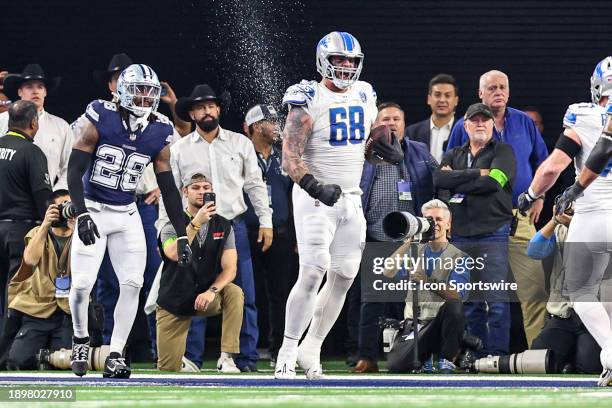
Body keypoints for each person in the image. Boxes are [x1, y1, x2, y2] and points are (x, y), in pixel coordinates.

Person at [274, 31, 401, 380]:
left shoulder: (365, 93)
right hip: (315, 197)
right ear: (322, 61)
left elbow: (361, 148)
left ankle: (311, 347)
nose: (345, 67)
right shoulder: (307, 97)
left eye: (351, 62)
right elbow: (289, 158)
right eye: (339, 61)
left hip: (350, 198)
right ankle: (286, 351)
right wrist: (315, 185)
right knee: (313, 271)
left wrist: (385, 151)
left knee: (344, 276)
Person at [66, 64, 192, 379]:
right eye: (138, 89)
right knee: (82, 285)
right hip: (93, 207)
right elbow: (74, 169)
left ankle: (116, 354)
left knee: (133, 284)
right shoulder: (100, 116)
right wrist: (81, 212)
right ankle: (81, 337)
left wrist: (182, 234)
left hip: (126, 212)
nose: (145, 96)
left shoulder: (160, 129)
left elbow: (169, 189)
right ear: (122, 90)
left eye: (150, 91)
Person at [169, 83, 273, 372]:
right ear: (191, 113)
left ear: (218, 109)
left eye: (211, 106)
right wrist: (177, 230)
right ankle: (191, 357)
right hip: (197, 227)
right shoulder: (179, 149)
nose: (207, 111)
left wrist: (266, 221)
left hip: (234, 225)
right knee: (194, 292)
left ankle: (244, 357)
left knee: (243, 293)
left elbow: (255, 184)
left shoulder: (240, 143)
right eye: (200, 107)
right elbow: (174, 192)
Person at [446, 70, 549, 348]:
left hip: (520, 216)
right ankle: (477, 357)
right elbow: (450, 169)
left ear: (509, 91)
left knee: (534, 291)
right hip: (478, 221)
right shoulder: (463, 125)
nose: (498, 92)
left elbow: (544, 162)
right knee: (477, 295)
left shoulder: (524, 122)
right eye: (491, 88)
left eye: (502, 87)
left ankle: (537, 356)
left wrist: (540, 197)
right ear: (480, 93)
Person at [350, 101, 437, 373]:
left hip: (411, 239)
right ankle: (366, 356)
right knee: (370, 301)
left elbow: (438, 181)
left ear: (404, 123)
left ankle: (405, 355)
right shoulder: (363, 154)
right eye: (385, 119)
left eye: (396, 119)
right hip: (374, 236)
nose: (391, 123)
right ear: (376, 125)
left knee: (408, 300)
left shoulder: (420, 150)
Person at [434, 103, 516, 356]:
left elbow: (494, 182)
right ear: (466, 126)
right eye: (475, 121)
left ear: (493, 125)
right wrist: (476, 173)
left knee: (497, 301)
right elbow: (439, 179)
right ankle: (477, 357)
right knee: (470, 302)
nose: (480, 124)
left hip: (493, 233)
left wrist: (458, 177)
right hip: (460, 235)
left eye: (485, 120)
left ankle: (498, 357)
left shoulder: (504, 151)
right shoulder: (454, 153)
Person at [549, 57, 612, 386]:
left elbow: (555, 166)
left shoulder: (585, 115)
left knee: (582, 291)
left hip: (595, 213)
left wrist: (535, 195)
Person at [156, 173, 244, 372]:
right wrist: (196, 223)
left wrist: (212, 291)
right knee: (168, 369)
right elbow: (173, 253)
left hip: (205, 296)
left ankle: (227, 357)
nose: (202, 192)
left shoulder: (223, 224)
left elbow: (230, 269)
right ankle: (180, 360)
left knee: (234, 292)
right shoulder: (170, 224)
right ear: (185, 192)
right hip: (175, 298)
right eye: (196, 188)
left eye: (206, 188)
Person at [383, 199, 470, 373]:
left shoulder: (459, 256)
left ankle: (447, 358)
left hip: (440, 326)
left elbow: (456, 297)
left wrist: (427, 281)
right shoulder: (415, 250)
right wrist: (409, 241)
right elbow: (388, 272)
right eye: (428, 220)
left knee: (454, 307)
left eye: (438, 219)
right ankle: (426, 356)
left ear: (448, 224)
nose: (433, 224)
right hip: (415, 325)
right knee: (396, 365)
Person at [243, 104, 297, 366]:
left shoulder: (284, 157)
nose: (277, 126)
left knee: (282, 293)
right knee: (246, 293)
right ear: (255, 126)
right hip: (247, 231)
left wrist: (297, 235)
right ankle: (248, 350)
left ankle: (279, 349)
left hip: (282, 233)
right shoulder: (240, 156)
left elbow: (295, 196)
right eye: (270, 122)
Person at [5, 190, 75, 369]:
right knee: (17, 361)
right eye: (62, 205)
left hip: (68, 312)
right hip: (38, 310)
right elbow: (30, 260)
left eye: (71, 204)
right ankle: (39, 356)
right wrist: (45, 225)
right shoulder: (37, 232)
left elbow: (90, 267)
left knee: (62, 364)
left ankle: (47, 357)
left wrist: (78, 232)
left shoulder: (83, 233)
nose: (68, 209)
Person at [528, 206, 602, 374]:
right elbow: (534, 251)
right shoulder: (561, 230)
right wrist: (554, 220)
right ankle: (565, 362)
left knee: (591, 368)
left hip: (596, 316)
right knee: (538, 360)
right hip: (564, 314)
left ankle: (571, 363)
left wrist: (576, 225)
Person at [0, 100, 51, 317]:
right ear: (33, 123)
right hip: (20, 232)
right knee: (16, 294)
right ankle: (9, 349)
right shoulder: (31, 152)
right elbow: (43, 198)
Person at [0, 64, 73, 190]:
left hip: (45, 201)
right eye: (29, 87)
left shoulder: (61, 127)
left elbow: (69, 168)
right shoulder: (2, 120)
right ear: (19, 92)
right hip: (6, 201)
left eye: (40, 87)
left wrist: (54, 196)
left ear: (45, 92)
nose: (35, 91)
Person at [405, 74, 459, 162]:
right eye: (437, 95)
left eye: (447, 95)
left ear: (456, 100)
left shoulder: (465, 131)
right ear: (429, 99)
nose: (442, 100)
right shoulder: (411, 132)